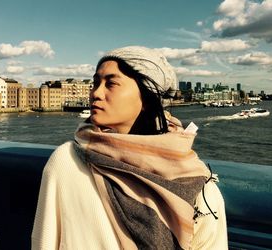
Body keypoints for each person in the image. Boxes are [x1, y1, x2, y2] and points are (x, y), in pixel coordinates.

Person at [31, 46, 228, 250]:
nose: (96, 93)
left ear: (146, 97)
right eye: (96, 83)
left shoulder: (199, 185)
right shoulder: (66, 162)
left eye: (111, 83)